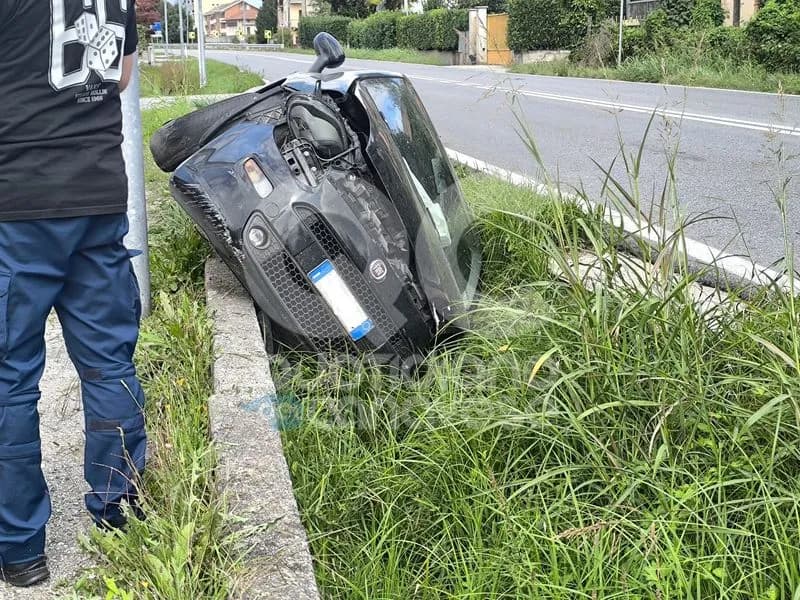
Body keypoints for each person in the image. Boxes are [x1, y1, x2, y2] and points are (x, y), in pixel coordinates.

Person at [0, 0, 147, 588]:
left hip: (18, 207)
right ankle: (121, 513)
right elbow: (124, 74)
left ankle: (20, 547)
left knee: (10, 380)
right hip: (98, 197)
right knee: (110, 365)